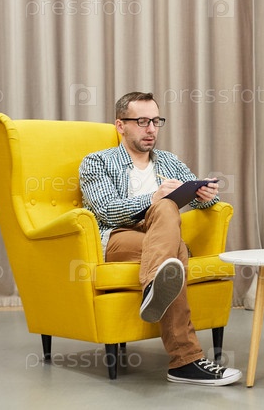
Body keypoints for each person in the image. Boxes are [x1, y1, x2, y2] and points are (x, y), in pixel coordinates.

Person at [79, 91, 242, 386]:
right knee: (169, 221)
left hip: (160, 241)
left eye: (156, 121)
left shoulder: (168, 161)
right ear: (120, 125)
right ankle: (185, 360)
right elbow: (106, 210)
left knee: (171, 256)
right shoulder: (97, 162)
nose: (151, 129)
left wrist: (205, 196)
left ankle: (159, 293)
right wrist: (154, 198)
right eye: (142, 121)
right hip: (118, 238)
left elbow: (197, 197)